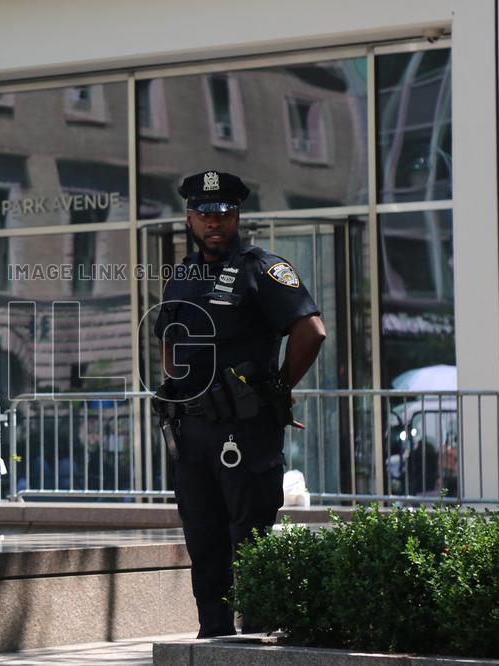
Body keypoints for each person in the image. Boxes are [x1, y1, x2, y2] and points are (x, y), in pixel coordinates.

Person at [152, 170, 326, 637]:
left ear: (237, 216)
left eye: (224, 212)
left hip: (245, 431)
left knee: (249, 539)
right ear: (189, 218)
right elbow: (168, 339)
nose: (214, 222)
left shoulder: (261, 269)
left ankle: (255, 636)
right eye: (204, 213)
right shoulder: (182, 276)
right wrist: (179, 386)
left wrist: (278, 387)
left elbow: (311, 331)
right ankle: (212, 633)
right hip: (192, 433)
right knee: (202, 537)